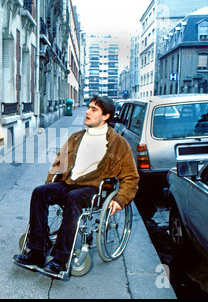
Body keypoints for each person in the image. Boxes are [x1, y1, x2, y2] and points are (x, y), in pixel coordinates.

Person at [14, 95, 140, 275]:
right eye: (88, 108)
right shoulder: (76, 137)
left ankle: (60, 259)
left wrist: (121, 199)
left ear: (106, 116)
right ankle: (37, 252)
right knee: (40, 192)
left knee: (74, 198)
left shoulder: (118, 144)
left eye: (93, 109)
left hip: (94, 188)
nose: (87, 112)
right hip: (69, 183)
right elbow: (60, 163)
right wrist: (50, 182)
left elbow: (131, 177)